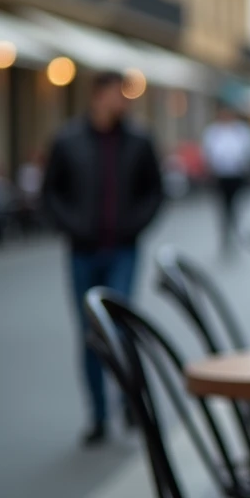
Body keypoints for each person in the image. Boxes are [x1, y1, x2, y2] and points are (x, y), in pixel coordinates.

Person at [43, 70, 164, 446]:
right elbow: (51, 193)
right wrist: (71, 226)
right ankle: (97, 414)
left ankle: (130, 403)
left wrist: (135, 225)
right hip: (82, 250)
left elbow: (154, 191)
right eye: (115, 94)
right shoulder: (68, 140)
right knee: (90, 334)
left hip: (123, 248)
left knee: (120, 328)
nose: (121, 101)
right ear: (97, 96)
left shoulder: (139, 141)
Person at [202, 104, 250, 252]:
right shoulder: (213, 131)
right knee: (222, 206)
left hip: (237, 174)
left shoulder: (241, 131)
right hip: (220, 175)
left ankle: (233, 229)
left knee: (235, 204)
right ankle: (225, 233)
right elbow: (209, 152)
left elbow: (246, 151)